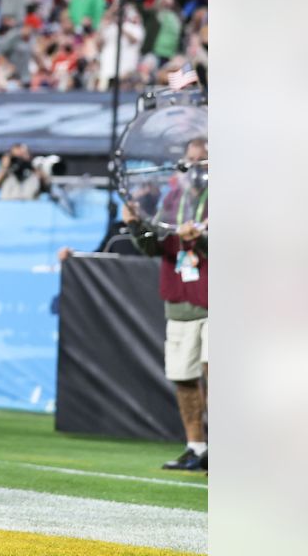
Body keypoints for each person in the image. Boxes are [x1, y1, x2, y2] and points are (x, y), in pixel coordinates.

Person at [126, 137, 208, 471]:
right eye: (188, 162)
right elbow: (152, 248)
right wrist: (135, 225)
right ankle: (196, 447)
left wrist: (200, 239)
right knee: (184, 378)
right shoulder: (172, 199)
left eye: (202, 162)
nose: (194, 169)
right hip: (179, 303)